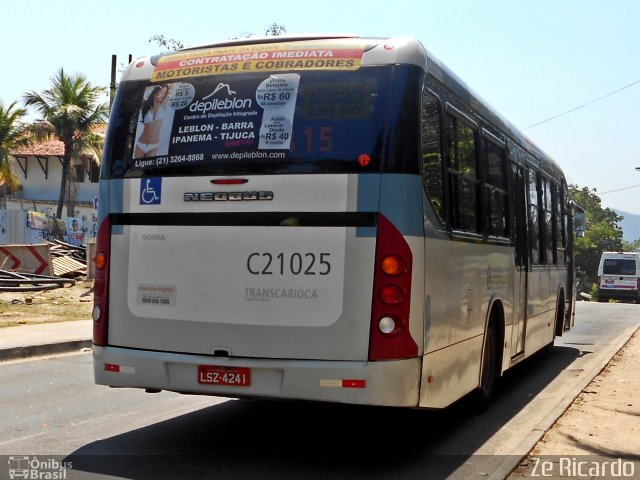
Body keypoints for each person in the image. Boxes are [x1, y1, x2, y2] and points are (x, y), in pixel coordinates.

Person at [134, 84, 172, 158]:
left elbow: (172, 86)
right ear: (156, 92)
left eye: (164, 94)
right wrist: (156, 85)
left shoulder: (163, 105)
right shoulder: (146, 105)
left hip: (153, 145)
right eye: (161, 92)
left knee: (148, 169)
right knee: (136, 168)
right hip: (141, 143)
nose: (162, 95)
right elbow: (142, 90)